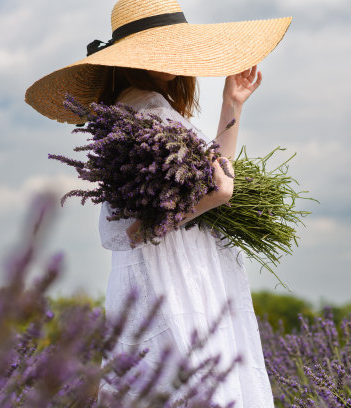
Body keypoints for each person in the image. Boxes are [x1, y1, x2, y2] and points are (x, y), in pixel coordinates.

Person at [25, 1, 291, 405]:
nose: (173, 60)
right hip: (173, 276)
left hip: (177, 270)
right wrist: (212, 200)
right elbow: (134, 231)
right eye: (162, 48)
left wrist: (232, 105)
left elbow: (214, 175)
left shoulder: (133, 110)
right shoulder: (145, 109)